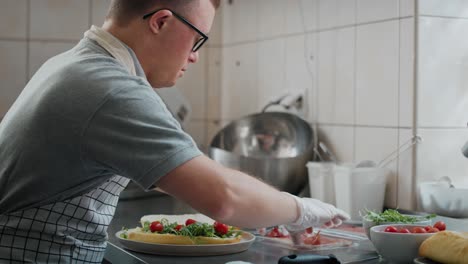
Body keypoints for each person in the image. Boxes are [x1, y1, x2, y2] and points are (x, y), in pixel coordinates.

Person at [0, 0, 349, 263]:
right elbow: (224, 197)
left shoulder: (72, 64)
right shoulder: (111, 87)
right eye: (197, 40)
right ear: (161, 21)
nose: (195, 57)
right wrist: (301, 209)